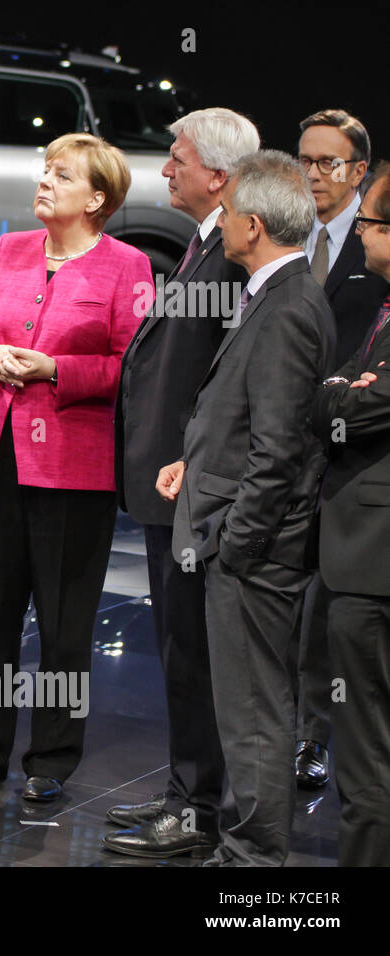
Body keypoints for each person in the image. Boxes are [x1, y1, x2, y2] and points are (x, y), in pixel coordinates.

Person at [0, 133, 150, 803]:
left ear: (96, 198)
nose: (45, 182)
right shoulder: (9, 250)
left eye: (61, 176)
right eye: (44, 171)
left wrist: (57, 368)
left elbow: (131, 367)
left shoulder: (128, 266)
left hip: (71, 470)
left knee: (62, 621)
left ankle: (52, 757)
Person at [160, 150, 335, 866]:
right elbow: (243, 420)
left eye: (229, 214)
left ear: (254, 224)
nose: (221, 223)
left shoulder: (288, 306)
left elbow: (279, 447)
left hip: (254, 553)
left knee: (257, 712)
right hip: (242, 534)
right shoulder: (274, 292)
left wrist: (237, 541)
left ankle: (254, 859)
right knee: (248, 708)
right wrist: (193, 463)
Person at [105, 108, 258, 858]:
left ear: (219, 177)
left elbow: (230, 383)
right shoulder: (206, 243)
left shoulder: (235, 252)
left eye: (177, 157)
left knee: (193, 652)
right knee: (177, 648)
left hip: (192, 492)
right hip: (168, 487)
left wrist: (197, 466)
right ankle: (183, 793)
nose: (165, 169)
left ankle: (199, 810)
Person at [292, 109, 389, 790]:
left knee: (333, 614)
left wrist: (335, 394)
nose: (315, 174)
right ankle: (293, 733)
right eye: (305, 160)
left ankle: (318, 740)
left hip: (354, 459)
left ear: (359, 170)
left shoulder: (377, 242)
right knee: (293, 607)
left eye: (328, 162)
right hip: (291, 451)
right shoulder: (284, 233)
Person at [311, 161, 390, 865]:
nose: (358, 233)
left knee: (366, 751)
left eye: (367, 222)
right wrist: (352, 386)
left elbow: (358, 404)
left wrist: (337, 388)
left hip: (372, 564)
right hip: (366, 555)